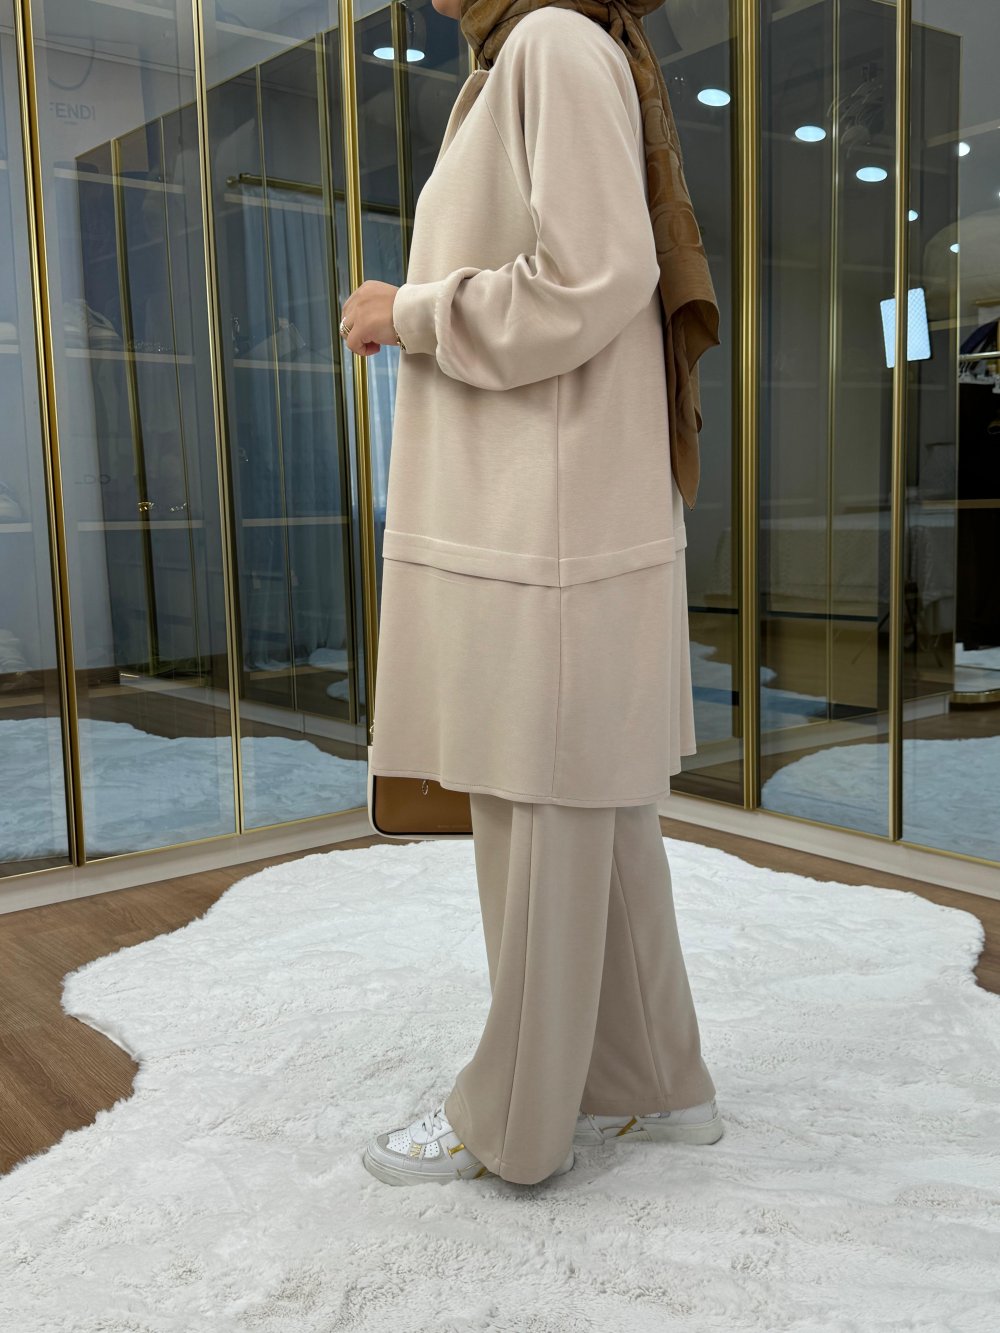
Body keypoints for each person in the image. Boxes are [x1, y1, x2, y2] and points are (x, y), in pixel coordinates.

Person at [340, 0, 722, 1187]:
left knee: (538, 821)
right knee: (593, 814)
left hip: (545, 527)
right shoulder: (533, 52)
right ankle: (661, 1083)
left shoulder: (551, 44)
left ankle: (513, 1123)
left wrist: (407, 311)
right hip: (546, 517)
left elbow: (594, 277)